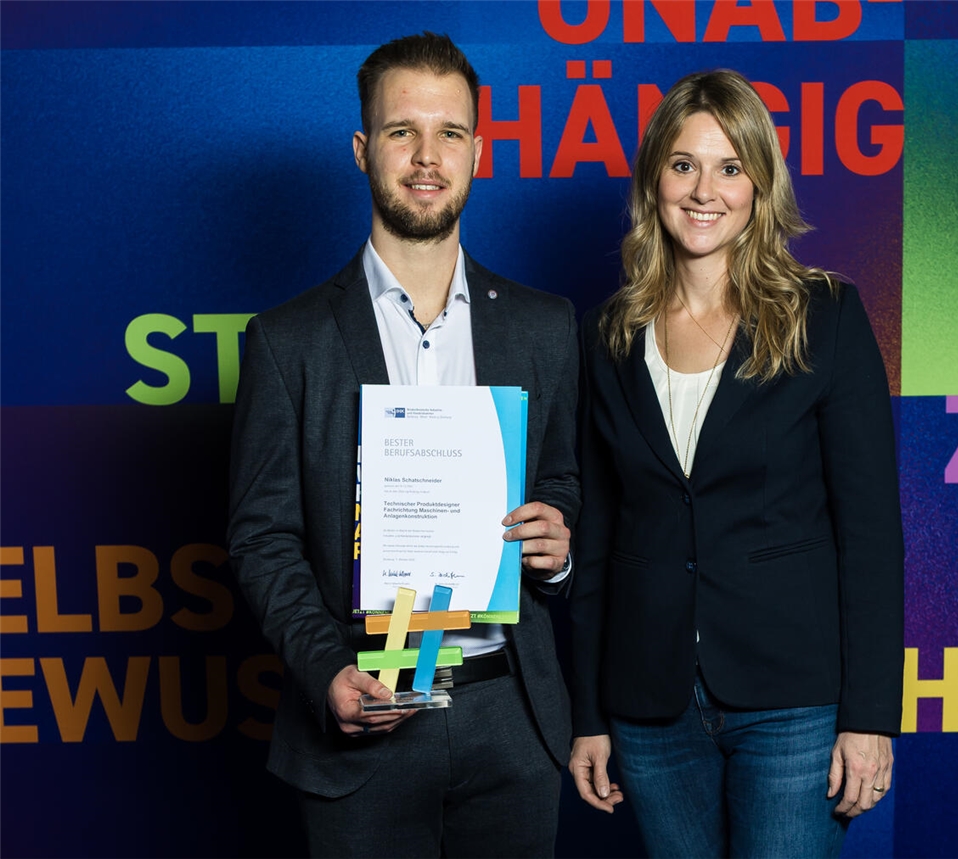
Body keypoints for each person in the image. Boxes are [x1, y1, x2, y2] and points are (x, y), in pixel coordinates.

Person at [227, 32, 579, 859]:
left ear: (477, 152)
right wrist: (327, 669)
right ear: (362, 149)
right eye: (401, 131)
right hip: (364, 713)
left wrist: (558, 546)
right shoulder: (286, 341)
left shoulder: (545, 327)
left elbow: (565, 482)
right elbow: (261, 537)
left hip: (511, 720)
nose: (427, 157)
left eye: (449, 132)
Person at [568, 69, 904, 858]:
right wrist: (588, 713)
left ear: (759, 185)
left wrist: (870, 715)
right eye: (683, 164)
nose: (704, 190)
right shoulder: (607, 334)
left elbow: (870, 534)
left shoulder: (825, 317)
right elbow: (596, 537)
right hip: (648, 704)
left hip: (792, 701)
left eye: (729, 167)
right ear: (654, 178)